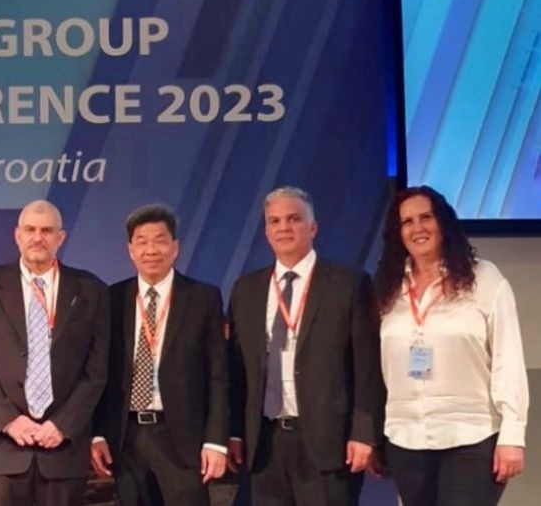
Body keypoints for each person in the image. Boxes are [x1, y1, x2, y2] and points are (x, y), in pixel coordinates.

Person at [227, 186, 383, 506]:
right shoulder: (246, 289)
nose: (284, 227)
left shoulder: (348, 283)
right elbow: (235, 370)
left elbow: (367, 367)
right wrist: (233, 432)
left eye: (294, 219)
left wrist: (364, 432)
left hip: (328, 444)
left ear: (312, 227)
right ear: (266, 232)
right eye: (275, 221)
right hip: (264, 445)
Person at [373, 185, 529, 506]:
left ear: (443, 222)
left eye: (426, 217)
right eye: (407, 222)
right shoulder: (388, 288)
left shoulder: (484, 278)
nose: (418, 228)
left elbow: (508, 359)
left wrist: (513, 436)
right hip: (406, 439)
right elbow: (373, 371)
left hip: (471, 437)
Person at [0, 199, 110, 506]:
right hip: (4, 448)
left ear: (61, 237)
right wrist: (8, 420)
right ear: (17, 235)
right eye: (30, 230)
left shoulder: (90, 289)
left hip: (63, 450)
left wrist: (64, 424)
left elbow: (96, 370)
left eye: (46, 230)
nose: (37, 238)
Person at [91, 204, 234, 505]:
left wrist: (216, 440)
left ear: (175, 247)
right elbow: (99, 370)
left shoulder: (203, 298)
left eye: (159, 240)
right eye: (142, 242)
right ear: (130, 250)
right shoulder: (112, 298)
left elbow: (219, 376)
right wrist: (98, 433)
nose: (151, 250)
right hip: (126, 438)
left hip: (182, 437)